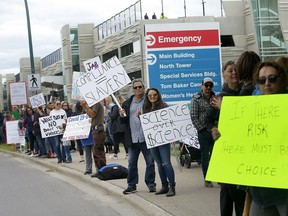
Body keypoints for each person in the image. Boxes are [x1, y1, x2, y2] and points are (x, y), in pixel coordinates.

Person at [212, 62, 288, 216]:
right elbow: (241, 142)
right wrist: (222, 136)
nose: (267, 83)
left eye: (272, 78)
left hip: (284, 193)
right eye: (262, 80)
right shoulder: (249, 109)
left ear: (282, 80)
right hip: (259, 193)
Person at [206, 61, 246, 216]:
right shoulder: (219, 98)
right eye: (230, 71)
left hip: (243, 148)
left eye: (236, 70)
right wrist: (213, 129)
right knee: (227, 190)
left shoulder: (247, 93)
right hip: (226, 148)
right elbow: (208, 120)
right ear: (224, 75)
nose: (234, 73)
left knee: (241, 191)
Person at [119, 79, 156, 194]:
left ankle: (151, 184)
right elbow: (123, 121)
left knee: (150, 162)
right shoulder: (127, 103)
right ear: (133, 90)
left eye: (140, 87)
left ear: (143, 87)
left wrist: (143, 116)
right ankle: (131, 185)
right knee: (131, 163)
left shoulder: (149, 100)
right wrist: (122, 116)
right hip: (133, 138)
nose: (138, 89)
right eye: (135, 87)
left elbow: (154, 116)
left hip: (146, 137)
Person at [143, 88, 176, 197]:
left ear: (158, 95)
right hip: (153, 140)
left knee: (166, 163)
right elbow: (146, 124)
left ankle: (172, 186)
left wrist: (172, 135)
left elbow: (170, 122)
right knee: (159, 164)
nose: (152, 97)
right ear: (147, 97)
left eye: (154, 95)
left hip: (163, 139)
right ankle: (164, 186)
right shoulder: (146, 107)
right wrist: (139, 117)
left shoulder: (164, 106)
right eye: (150, 95)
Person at [190, 77, 215, 188]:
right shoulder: (196, 99)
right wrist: (202, 129)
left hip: (215, 131)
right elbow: (194, 116)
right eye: (206, 85)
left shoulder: (216, 98)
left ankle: (218, 177)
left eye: (210, 85)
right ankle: (207, 179)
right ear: (202, 86)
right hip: (203, 132)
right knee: (205, 156)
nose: (208, 88)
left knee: (216, 156)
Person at [81, 100, 106, 177]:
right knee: (96, 151)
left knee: (98, 152)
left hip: (98, 129)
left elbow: (92, 114)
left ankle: (102, 170)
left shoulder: (96, 103)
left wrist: (86, 107)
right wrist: (86, 108)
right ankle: (100, 170)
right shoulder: (94, 104)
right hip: (95, 129)